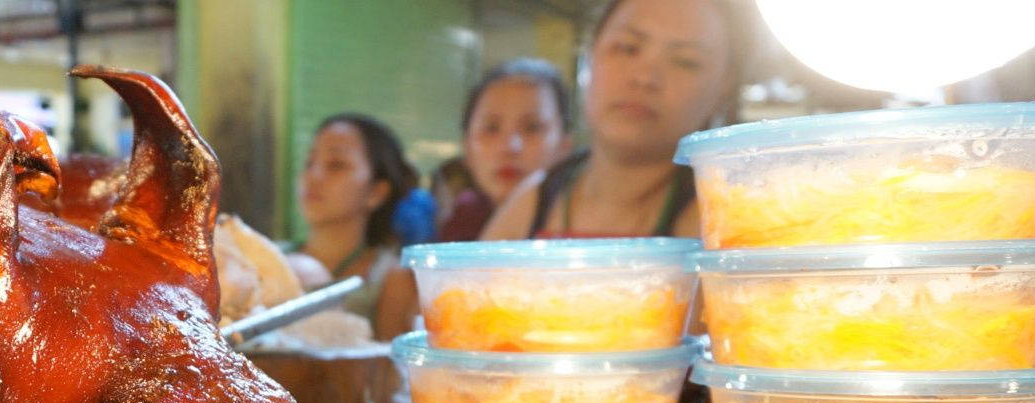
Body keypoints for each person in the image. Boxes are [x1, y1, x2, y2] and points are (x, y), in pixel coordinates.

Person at [481, 0, 742, 240]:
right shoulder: (533, 202)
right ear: (590, 56)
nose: (645, 77)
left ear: (722, 90)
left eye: (686, 62)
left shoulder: (728, 220)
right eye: (627, 47)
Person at [290, 113, 417, 339]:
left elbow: (389, 371)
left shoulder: (391, 278)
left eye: (336, 165)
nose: (313, 176)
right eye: (310, 163)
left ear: (377, 192)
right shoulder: (263, 259)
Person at [437, 58, 571, 242]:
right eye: (491, 128)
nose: (510, 147)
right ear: (467, 147)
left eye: (532, 127)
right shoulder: (455, 231)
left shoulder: (581, 230)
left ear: (565, 146)